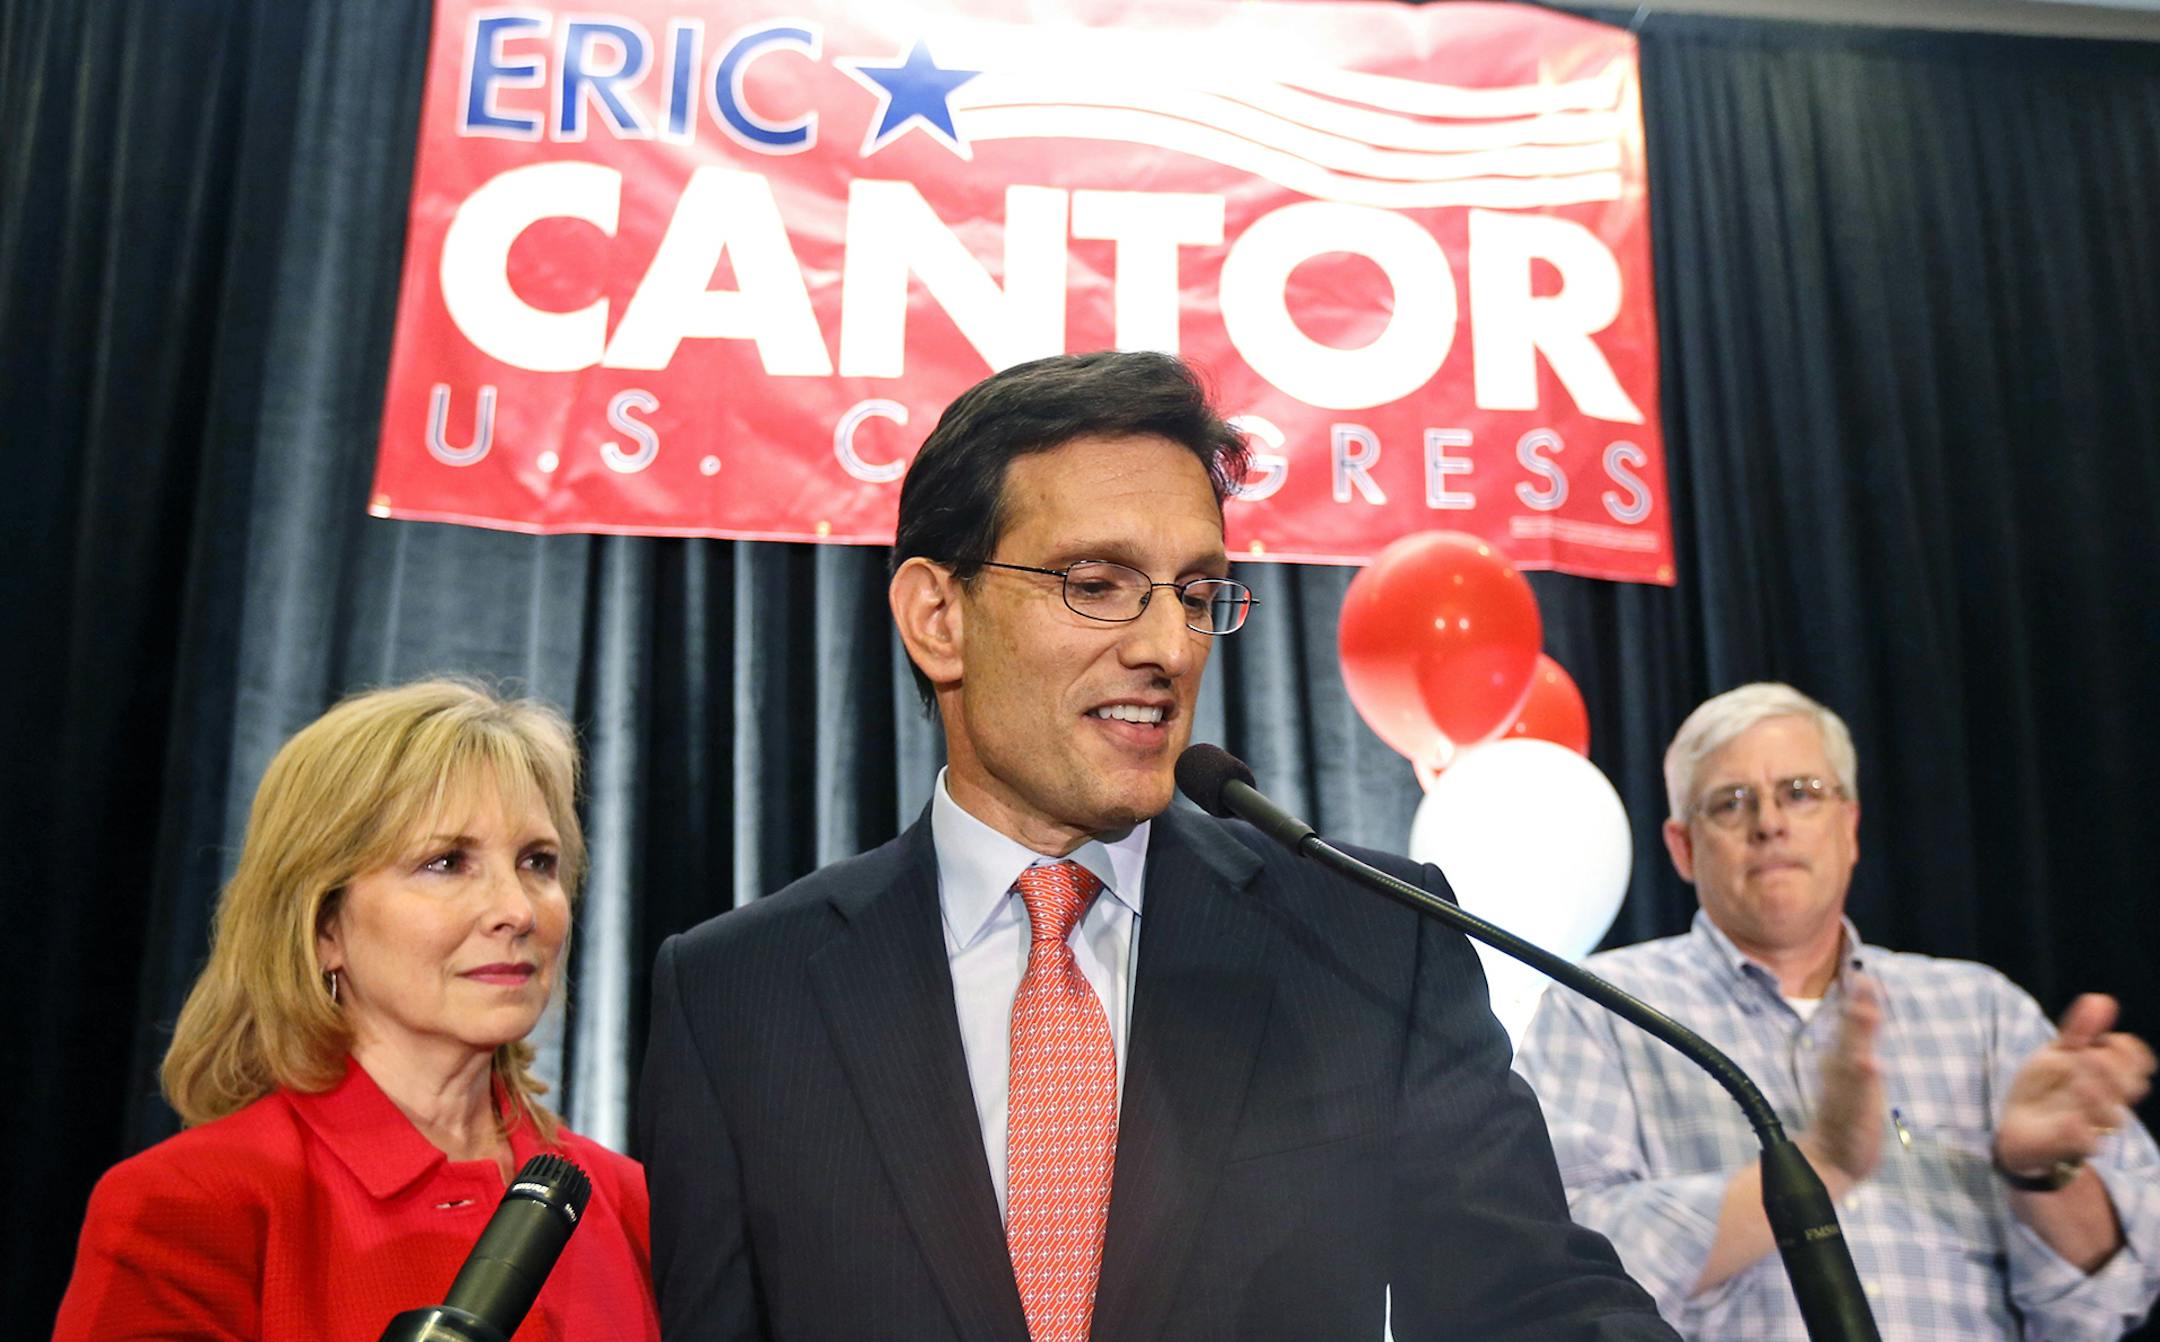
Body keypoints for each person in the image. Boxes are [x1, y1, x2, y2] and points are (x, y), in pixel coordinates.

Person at [639, 351, 1676, 1341]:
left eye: (1195, 593)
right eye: (1097, 582)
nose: (1167, 647)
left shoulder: (1364, 944)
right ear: (936, 616)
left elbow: (1533, 1303)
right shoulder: (739, 998)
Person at [1514, 681, 2160, 1339]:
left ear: (1849, 827)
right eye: (1731, 803)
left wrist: (2041, 1177)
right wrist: (1820, 1163)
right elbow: (1560, 1274)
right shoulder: (1602, 1011)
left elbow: (2109, 1303)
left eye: (1800, 792)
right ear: (1682, 848)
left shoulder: (1983, 1013)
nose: (1770, 822)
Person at [52, 680, 660, 1342]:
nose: (516, 910)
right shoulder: (192, 1202)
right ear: (323, 928)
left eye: (537, 862)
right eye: (447, 862)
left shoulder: (630, 1202)